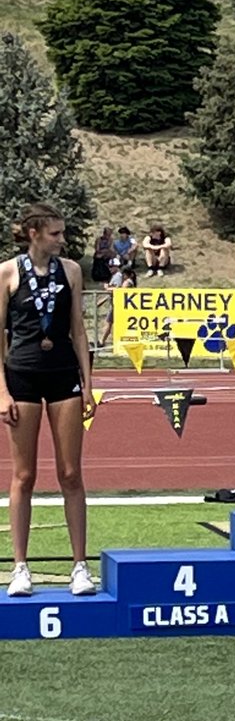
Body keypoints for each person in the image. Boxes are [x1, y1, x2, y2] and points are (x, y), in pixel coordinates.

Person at [0, 203, 96, 597]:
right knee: (24, 476)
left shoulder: (70, 270)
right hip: (20, 376)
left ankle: (80, 566)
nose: (62, 239)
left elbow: (77, 329)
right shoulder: (7, 272)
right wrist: (1, 390)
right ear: (33, 233)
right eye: (55, 233)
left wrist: (88, 384)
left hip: (63, 378)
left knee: (71, 473)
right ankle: (21, 566)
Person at [98, 265, 137, 347]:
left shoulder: (128, 282)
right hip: (118, 305)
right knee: (109, 323)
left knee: (109, 323)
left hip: (119, 305)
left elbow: (121, 291)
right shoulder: (128, 282)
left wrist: (108, 288)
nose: (123, 276)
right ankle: (102, 341)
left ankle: (102, 341)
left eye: (125, 274)